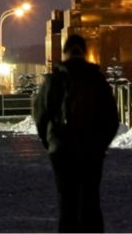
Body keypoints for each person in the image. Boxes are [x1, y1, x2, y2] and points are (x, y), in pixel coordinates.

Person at [34, 33, 119, 233]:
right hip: (91, 151)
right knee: (91, 200)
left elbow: (40, 116)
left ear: (64, 53)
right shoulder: (96, 79)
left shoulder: (53, 80)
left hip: (62, 151)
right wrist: (100, 145)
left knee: (67, 203)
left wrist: (51, 143)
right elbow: (111, 119)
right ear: (85, 53)